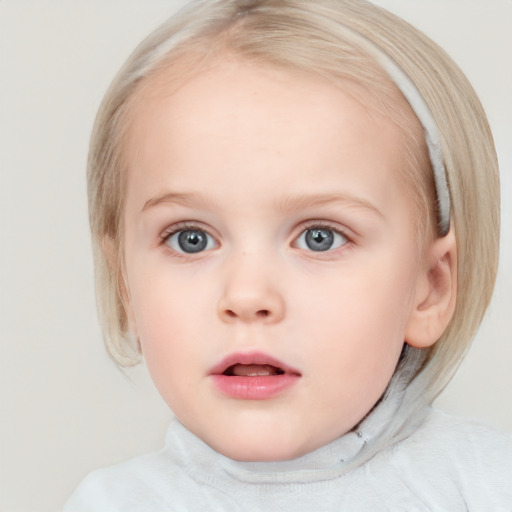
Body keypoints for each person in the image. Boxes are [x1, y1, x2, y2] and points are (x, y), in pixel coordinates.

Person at [64, 0, 512, 509]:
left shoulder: (488, 487)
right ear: (126, 284)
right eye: (191, 238)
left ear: (430, 287)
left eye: (320, 236)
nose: (247, 295)